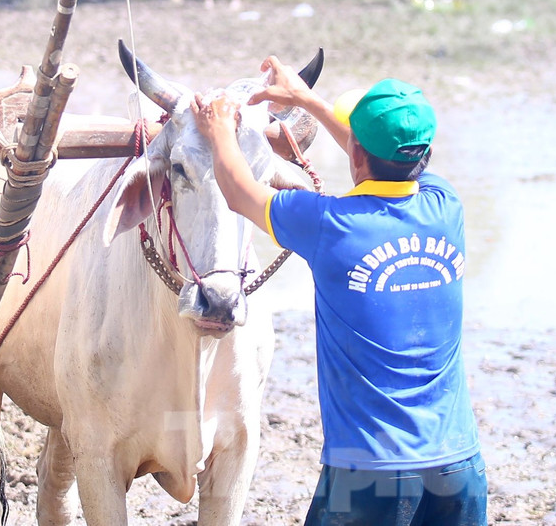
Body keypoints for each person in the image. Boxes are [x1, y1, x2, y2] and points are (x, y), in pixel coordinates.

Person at [192, 64, 485, 526]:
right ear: (424, 153)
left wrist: (219, 128)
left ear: (356, 155)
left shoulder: (328, 224)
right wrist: (307, 101)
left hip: (367, 473)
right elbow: (370, 147)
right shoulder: (445, 204)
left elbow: (236, 190)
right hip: (459, 466)